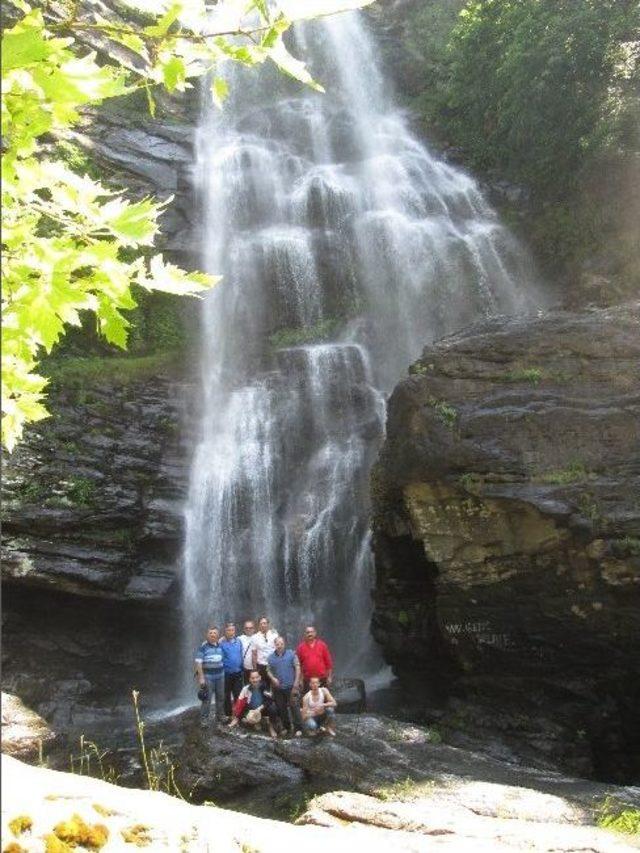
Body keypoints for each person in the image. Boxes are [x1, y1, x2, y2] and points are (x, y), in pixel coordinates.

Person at [266, 636, 303, 737]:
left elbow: (298, 668)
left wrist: (296, 683)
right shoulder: (270, 657)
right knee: (281, 708)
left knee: (294, 707)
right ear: (275, 645)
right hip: (278, 688)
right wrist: (272, 678)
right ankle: (287, 727)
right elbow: (268, 670)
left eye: (281, 644)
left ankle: (299, 728)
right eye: (277, 644)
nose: (279, 646)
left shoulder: (292, 654)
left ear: (284, 644)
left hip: (291, 686)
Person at [229, 670, 278, 738]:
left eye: (256, 677)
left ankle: (271, 727)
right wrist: (236, 718)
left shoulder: (265, 686)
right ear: (249, 679)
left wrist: (260, 708)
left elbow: (269, 700)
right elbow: (240, 704)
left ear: (260, 678)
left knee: (273, 708)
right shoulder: (246, 689)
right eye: (252, 678)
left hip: (262, 709)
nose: (255, 680)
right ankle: (256, 722)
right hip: (251, 710)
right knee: (246, 719)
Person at [194, 626, 225, 729]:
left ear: (218, 635)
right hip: (208, 676)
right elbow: (198, 663)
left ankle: (220, 715)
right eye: (210, 633)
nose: (213, 635)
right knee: (207, 698)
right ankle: (204, 719)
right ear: (207, 635)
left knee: (220, 697)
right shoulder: (203, 647)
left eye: (215, 633)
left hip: (220, 676)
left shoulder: (220, 646)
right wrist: (201, 678)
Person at [296, 625, 333, 693]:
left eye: (311, 632)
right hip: (307, 680)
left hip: (322, 679)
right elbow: (298, 665)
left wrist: (329, 677)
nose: (310, 634)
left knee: (323, 698)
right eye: (307, 632)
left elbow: (328, 662)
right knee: (308, 700)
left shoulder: (322, 645)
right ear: (305, 634)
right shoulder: (300, 648)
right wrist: (300, 680)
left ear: (315, 633)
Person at [220, 622, 244, 718]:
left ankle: (238, 714)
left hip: (238, 672)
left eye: (232, 630)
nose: (231, 632)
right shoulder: (221, 643)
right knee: (226, 694)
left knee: (238, 694)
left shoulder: (239, 641)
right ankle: (228, 714)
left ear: (235, 631)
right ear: (225, 631)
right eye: (229, 630)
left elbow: (241, 654)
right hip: (226, 673)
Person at [251, 616, 278, 686]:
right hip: (261, 666)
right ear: (258, 625)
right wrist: (255, 670)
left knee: (274, 686)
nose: (263, 625)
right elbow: (254, 654)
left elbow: (278, 649)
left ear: (268, 624)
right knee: (262, 687)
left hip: (273, 665)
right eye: (261, 623)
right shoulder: (254, 637)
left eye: (265, 623)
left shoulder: (274, 635)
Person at [238, 619, 257, 685]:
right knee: (247, 688)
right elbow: (229, 638)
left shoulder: (258, 637)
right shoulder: (240, 638)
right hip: (245, 669)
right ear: (244, 629)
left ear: (254, 629)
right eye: (246, 628)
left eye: (250, 628)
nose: (248, 629)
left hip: (257, 669)